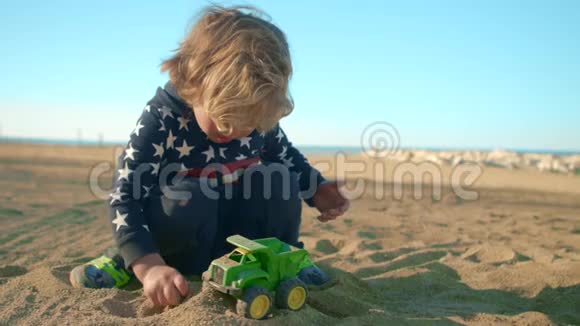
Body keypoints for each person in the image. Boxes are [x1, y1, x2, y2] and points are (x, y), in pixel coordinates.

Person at [69, 5, 349, 308]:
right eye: (224, 119)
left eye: (249, 125)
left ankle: (284, 257)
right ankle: (130, 262)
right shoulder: (162, 117)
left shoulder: (254, 112)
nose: (236, 131)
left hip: (237, 243)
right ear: (194, 81)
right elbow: (126, 195)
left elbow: (286, 156)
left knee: (276, 178)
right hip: (179, 239)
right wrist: (149, 266)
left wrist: (316, 187)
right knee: (187, 194)